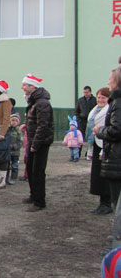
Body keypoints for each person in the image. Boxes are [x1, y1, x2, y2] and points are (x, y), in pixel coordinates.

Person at [94, 68, 121, 248]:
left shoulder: (118, 102)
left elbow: (117, 130)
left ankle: (117, 244)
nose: (108, 82)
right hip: (115, 156)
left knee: (117, 202)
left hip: (117, 158)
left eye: (111, 79)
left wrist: (100, 131)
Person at [21, 73, 54, 212]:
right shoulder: (35, 101)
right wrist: (26, 125)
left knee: (38, 171)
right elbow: (35, 121)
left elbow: (43, 125)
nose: (22, 87)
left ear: (32, 86)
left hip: (40, 142)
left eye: (24, 85)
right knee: (30, 169)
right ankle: (34, 195)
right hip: (34, 140)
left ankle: (40, 201)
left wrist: (35, 144)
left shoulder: (42, 103)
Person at [87, 87, 112, 215]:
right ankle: (102, 202)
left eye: (103, 97)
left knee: (105, 176)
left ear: (108, 98)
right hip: (96, 144)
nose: (100, 100)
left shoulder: (109, 110)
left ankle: (107, 203)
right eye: (99, 97)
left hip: (104, 145)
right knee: (97, 175)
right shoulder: (95, 110)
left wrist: (103, 149)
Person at [75, 85, 97, 158]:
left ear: (90, 92)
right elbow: (76, 111)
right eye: (84, 92)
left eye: (87, 92)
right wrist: (78, 119)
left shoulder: (95, 100)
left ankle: (89, 153)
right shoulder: (80, 100)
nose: (85, 94)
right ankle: (77, 153)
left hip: (91, 122)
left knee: (91, 138)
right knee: (80, 137)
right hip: (82, 121)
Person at [7, 113, 23, 185]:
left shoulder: (18, 131)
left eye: (15, 121)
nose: (14, 122)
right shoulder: (7, 130)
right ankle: (6, 178)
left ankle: (13, 178)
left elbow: (20, 142)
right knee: (7, 166)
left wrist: (14, 146)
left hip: (15, 152)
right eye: (12, 120)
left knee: (14, 166)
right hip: (7, 152)